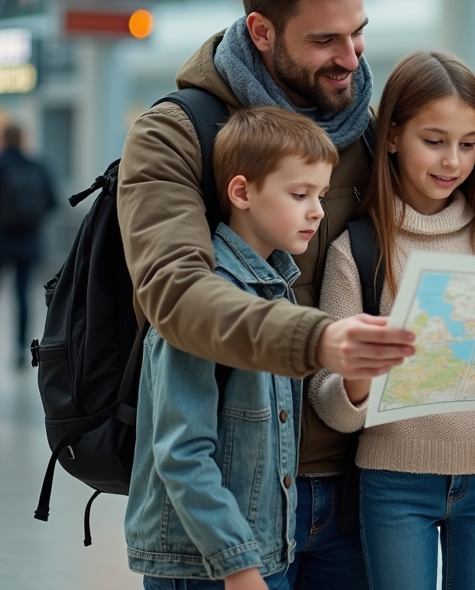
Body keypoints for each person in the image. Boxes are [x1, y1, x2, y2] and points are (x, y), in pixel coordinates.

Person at [118, 0, 414, 589]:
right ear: (261, 31)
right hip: (225, 505)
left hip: (350, 495)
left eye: (358, 30)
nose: (351, 56)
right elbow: (176, 296)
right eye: (324, 40)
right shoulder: (176, 133)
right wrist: (322, 340)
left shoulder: (365, 134)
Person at [308, 51, 475, 590]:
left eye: (469, 143)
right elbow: (331, 406)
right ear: (391, 137)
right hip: (393, 482)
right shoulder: (356, 252)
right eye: (434, 141)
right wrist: (362, 375)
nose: (452, 160)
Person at [126, 107, 338, 590]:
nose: (317, 211)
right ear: (242, 192)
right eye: (300, 194)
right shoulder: (207, 302)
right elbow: (181, 453)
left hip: (255, 554)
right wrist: (238, 566)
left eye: (321, 195)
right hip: (205, 567)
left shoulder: (275, 287)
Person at [0, 124, 57, 367]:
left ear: (3, 139)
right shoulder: (37, 166)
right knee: (22, 297)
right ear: (23, 140)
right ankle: (19, 350)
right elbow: (52, 202)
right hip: (26, 242)